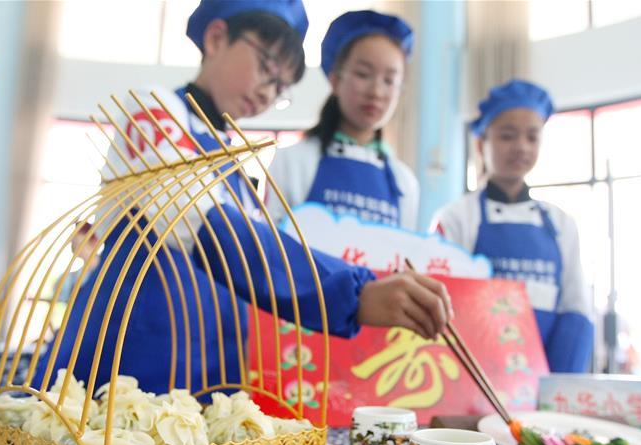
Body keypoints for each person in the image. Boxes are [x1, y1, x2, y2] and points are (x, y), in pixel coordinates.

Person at [34, 0, 452, 395]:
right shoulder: (153, 110)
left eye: (282, 86)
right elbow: (202, 224)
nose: (270, 91)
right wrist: (353, 294)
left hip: (212, 371)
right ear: (217, 39)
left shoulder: (236, 166)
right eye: (267, 67)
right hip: (130, 362)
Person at [431, 79, 593, 373]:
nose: (521, 146)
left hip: (544, 379)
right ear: (482, 144)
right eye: (507, 136)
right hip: (470, 374)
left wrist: (558, 387)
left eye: (532, 137)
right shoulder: (456, 218)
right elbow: (443, 306)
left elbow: (576, 309)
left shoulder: (561, 224)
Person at [266, 10, 419, 230]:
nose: (376, 91)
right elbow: (269, 250)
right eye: (363, 74)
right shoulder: (292, 161)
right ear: (336, 79)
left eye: (389, 80)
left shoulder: (404, 183)